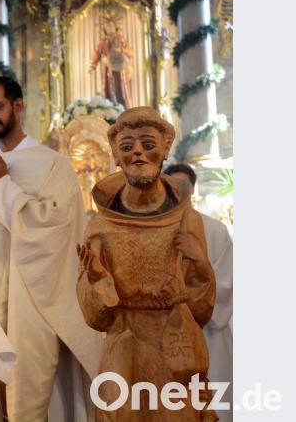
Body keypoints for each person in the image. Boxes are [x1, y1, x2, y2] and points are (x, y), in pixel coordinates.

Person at [0, 76, 103, 421]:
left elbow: (58, 229)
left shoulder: (52, 165)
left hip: (31, 299)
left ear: (18, 106)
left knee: (26, 395)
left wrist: (3, 191)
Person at [77, 107, 217, 421]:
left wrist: (201, 267)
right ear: (116, 154)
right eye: (127, 147)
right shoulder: (100, 227)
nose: (138, 153)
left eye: (148, 144)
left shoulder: (186, 221)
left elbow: (202, 312)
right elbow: (95, 318)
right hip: (123, 352)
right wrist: (97, 279)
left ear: (165, 148)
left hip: (173, 349)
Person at [164, 163, 233, 422]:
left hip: (208, 333)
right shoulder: (157, 230)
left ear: (193, 188)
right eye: (172, 187)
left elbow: (227, 282)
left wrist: (199, 268)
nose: (178, 192)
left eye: (183, 186)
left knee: (215, 405)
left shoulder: (215, 230)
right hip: (170, 332)